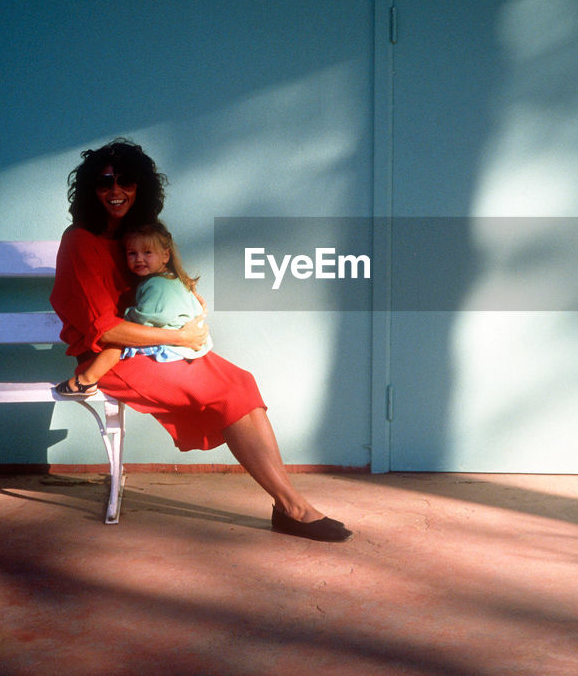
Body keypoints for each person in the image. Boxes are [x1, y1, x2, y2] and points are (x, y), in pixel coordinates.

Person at [49, 139, 351, 542]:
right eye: (105, 182)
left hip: (152, 346)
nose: (116, 190)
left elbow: (159, 280)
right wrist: (180, 334)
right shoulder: (80, 241)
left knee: (240, 382)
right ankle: (294, 508)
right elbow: (104, 329)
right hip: (110, 357)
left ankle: (286, 504)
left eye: (126, 181)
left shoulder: (134, 236)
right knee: (227, 394)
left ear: (141, 187)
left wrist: (186, 300)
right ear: (91, 188)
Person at [55, 221, 211, 398]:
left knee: (118, 342)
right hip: (188, 342)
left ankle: (86, 380)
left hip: (173, 344)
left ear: (165, 255)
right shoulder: (172, 279)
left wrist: (127, 316)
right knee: (121, 335)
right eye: (132, 253)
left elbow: (146, 319)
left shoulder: (157, 285)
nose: (139, 259)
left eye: (147, 252)